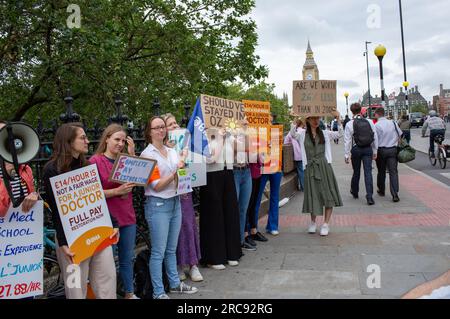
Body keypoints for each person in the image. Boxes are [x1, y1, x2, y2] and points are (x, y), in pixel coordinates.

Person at [42, 122, 118, 299]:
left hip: (98, 233)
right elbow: (57, 209)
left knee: (107, 282)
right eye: (82, 137)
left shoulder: (88, 167)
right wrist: (63, 242)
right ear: (68, 141)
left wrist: (113, 224)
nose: (88, 141)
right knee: (75, 289)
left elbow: (97, 199)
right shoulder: (51, 170)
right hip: (71, 240)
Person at [140, 116, 198, 299]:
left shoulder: (171, 151)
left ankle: (174, 284)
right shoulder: (147, 155)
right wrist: (176, 171)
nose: (161, 130)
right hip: (158, 205)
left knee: (171, 250)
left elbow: (180, 174)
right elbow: (156, 185)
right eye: (156, 127)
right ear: (149, 132)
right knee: (158, 252)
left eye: (162, 127)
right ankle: (158, 292)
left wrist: (183, 171)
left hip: (175, 202)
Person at [89, 124, 139, 299]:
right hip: (107, 219)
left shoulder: (125, 159)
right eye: (117, 139)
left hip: (127, 216)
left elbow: (139, 179)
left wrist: (132, 154)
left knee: (127, 259)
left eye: (123, 140)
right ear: (107, 138)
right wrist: (117, 191)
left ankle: (129, 293)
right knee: (106, 264)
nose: (120, 143)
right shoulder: (95, 161)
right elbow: (91, 194)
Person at [163, 114, 203, 282]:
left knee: (188, 224)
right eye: (170, 124)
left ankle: (193, 264)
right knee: (175, 230)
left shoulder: (184, 143)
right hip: (167, 191)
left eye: (175, 123)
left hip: (184, 188)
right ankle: (180, 265)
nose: (174, 126)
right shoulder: (161, 148)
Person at [290, 114, 343, 236]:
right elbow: (292, 134)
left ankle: (326, 224)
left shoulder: (324, 133)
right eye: (313, 118)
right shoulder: (302, 134)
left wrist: (338, 118)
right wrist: (296, 119)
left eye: (318, 118)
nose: (316, 121)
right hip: (310, 167)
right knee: (312, 194)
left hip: (324, 166)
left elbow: (340, 133)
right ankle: (313, 222)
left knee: (328, 193)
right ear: (307, 120)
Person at [199, 126, 241, 270]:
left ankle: (231, 253)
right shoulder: (203, 135)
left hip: (227, 174)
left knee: (230, 212)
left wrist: (237, 133)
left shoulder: (226, 134)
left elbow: (242, 150)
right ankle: (214, 257)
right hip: (211, 176)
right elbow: (211, 159)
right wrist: (219, 138)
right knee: (214, 216)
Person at [0, 121, 39, 217]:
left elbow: (31, 198)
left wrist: (34, 196)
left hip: (24, 228)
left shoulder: (25, 169)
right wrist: (7, 176)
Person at [253, 116, 283, 236]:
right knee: (257, 198)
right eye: (267, 119)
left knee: (274, 197)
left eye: (270, 119)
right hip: (262, 167)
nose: (269, 120)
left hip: (275, 167)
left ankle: (273, 225)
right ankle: (253, 226)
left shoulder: (276, 131)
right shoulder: (257, 132)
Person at [344, 103, 378, 206]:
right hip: (367, 149)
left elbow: (347, 141)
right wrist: (375, 150)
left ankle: (355, 192)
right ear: (361, 110)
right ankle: (369, 197)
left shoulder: (349, 124)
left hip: (356, 149)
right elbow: (375, 136)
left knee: (356, 172)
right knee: (368, 172)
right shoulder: (369, 122)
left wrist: (346, 155)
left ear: (351, 111)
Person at [231, 118, 255, 252]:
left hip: (246, 171)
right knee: (235, 207)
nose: (247, 125)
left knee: (243, 209)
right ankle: (234, 242)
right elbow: (236, 148)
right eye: (244, 123)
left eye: (247, 123)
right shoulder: (230, 134)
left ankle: (241, 241)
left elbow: (250, 150)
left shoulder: (246, 135)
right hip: (235, 171)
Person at [374, 108, 402, 202]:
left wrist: (374, 152)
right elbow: (400, 134)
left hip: (381, 150)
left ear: (377, 114)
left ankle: (381, 190)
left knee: (381, 171)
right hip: (393, 150)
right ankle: (395, 194)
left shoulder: (377, 125)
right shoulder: (393, 123)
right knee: (393, 172)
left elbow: (375, 140)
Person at [284, 117, 305, 191]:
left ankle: (302, 186)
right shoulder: (304, 132)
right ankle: (304, 187)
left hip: (296, 155)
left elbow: (285, 142)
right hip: (303, 155)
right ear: (303, 123)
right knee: (303, 171)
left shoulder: (291, 132)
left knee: (300, 171)